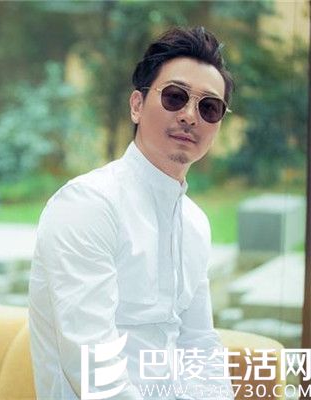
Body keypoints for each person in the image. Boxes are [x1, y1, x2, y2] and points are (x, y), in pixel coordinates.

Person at [28, 26, 235, 400]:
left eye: (209, 107)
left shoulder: (195, 224)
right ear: (137, 105)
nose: (190, 116)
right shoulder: (88, 205)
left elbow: (200, 344)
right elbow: (93, 368)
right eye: (175, 97)